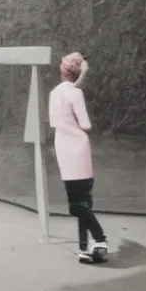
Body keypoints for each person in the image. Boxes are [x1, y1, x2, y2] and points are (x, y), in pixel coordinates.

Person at [48, 52, 108, 263]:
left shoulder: (55, 93)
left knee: (77, 203)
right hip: (78, 148)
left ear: (62, 71)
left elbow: (55, 122)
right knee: (80, 203)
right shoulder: (75, 94)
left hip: (64, 148)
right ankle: (97, 242)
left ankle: (90, 245)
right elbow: (86, 124)